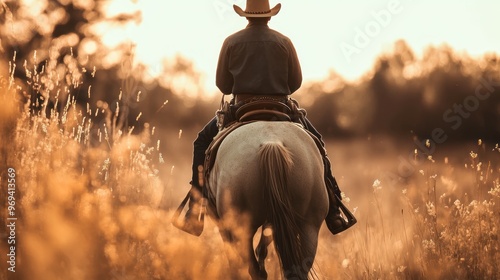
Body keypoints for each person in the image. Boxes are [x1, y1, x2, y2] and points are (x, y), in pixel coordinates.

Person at [178, 0, 349, 236]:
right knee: (317, 142)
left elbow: (223, 85)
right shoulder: (284, 41)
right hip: (281, 107)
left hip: (240, 109)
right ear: (270, 16)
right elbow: (295, 82)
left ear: (246, 16)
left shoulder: (231, 41)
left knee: (201, 142)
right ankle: (334, 209)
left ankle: (195, 210)